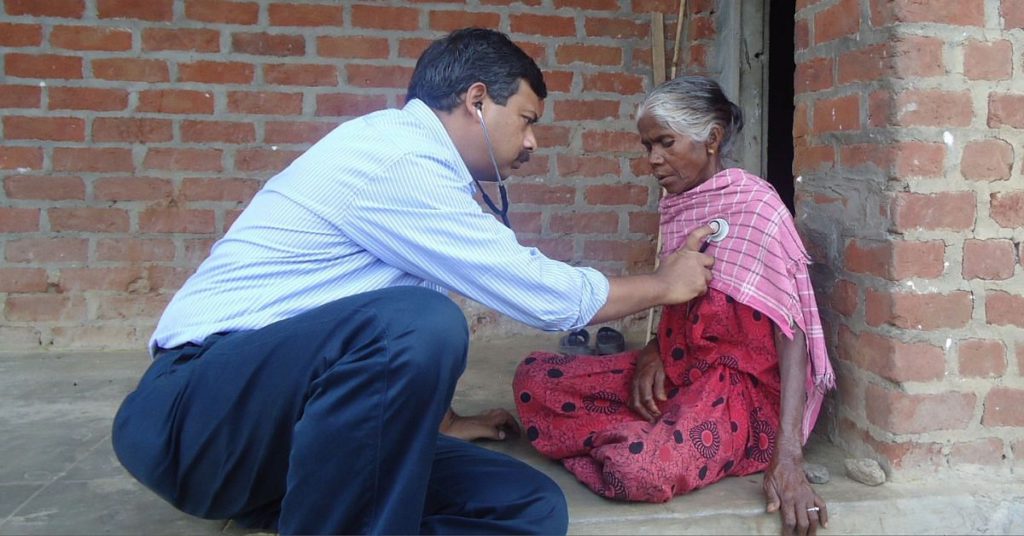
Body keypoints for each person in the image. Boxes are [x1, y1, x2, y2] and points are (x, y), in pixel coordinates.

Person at [111, 29, 715, 535]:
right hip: (195, 421)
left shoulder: (426, 177)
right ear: (478, 100)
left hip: (282, 437)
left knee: (530, 509)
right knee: (418, 323)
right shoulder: (397, 158)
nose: (531, 141)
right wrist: (665, 285)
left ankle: (317, 516)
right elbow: (546, 296)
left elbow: (375, 310)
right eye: (528, 119)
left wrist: (445, 421)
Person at [513, 75, 836, 536]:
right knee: (535, 381)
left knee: (638, 472)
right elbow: (674, 297)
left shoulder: (758, 208)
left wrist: (788, 456)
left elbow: (794, 332)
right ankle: (651, 430)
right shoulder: (681, 204)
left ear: (712, 139)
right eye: (647, 146)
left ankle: (649, 439)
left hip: (736, 396)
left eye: (665, 143)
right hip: (682, 369)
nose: (653, 160)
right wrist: (654, 353)